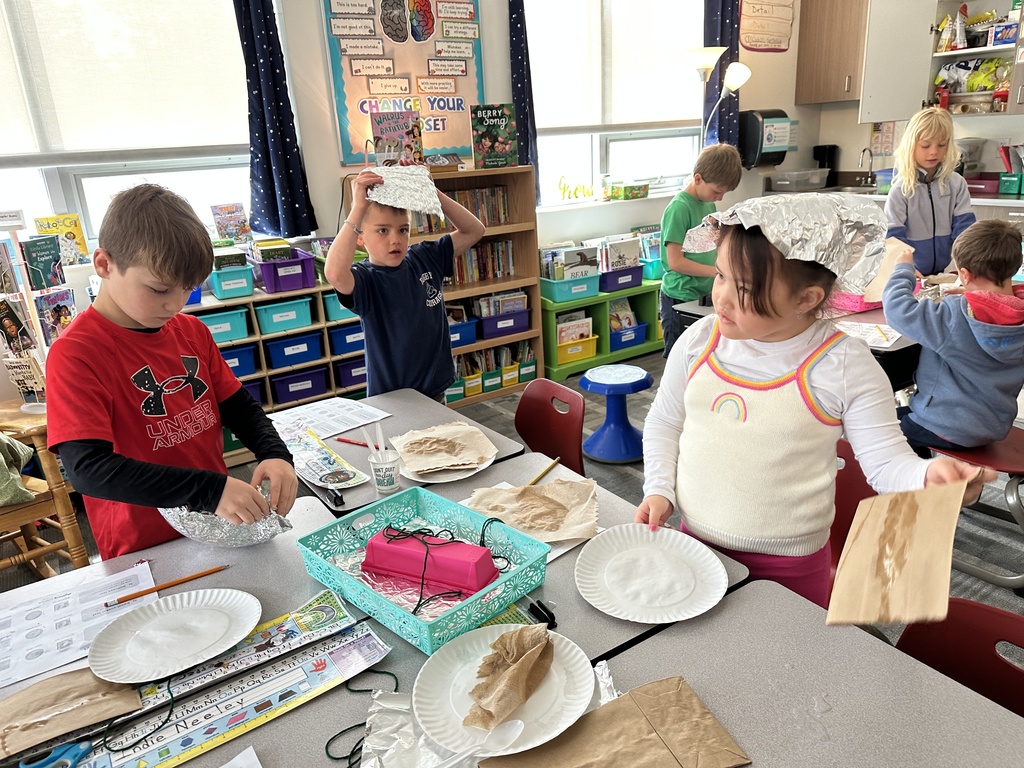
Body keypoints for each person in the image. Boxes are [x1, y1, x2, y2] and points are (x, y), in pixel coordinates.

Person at [635, 195, 995, 608]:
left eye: (745, 288)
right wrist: (659, 489)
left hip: (788, 566)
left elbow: (886, 464)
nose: (722, 298)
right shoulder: (700, 340)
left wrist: (929, 477)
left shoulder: (842, 365)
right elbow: (665, 421)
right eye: (720, 275)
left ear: (806, 299)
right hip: (695, 543)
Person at [46, 184, 298, 560]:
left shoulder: (191, 331)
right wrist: (208, 490)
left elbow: (238, 407)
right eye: (160, 289)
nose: (175, 304)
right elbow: (88, 469)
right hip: (141, 544)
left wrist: (274, 453)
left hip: (215, 526)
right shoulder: (75, 354)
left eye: (188, 289)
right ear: (104, 265)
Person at [325, 166, 486, 400]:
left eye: (403, 230)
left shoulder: (425, 257)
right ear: (360, 236)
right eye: (382, 231)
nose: (395, 240)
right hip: (393, 397)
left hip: (434, 390)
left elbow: (474, 230)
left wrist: (430, 191)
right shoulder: (366, 279)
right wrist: (358, 208)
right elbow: (335, 273)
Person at [883, 219, 1024, 457]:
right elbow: (999, 307)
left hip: (944, 424)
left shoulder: (952, 316)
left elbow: (897, 310)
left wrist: (903, 269)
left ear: (965, 275)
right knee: (903, 419)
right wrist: (977, 297)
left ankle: (922, 475)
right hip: (993, 425)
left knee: (879, 430)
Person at [658, 143, 743, 356]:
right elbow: (675, 262)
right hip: (680, 295)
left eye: (724, 193)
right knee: (680, 356)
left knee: (703, 355)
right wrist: (717, 272)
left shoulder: (708, 204)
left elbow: (712, 245)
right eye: (717, 191)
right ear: (698, 179)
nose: (720, 198)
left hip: (703, 294)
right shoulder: (679, 208)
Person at [884, 107, 975, 276]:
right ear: (911, 146)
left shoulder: (956, 184)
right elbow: (894, 236)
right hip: (913, 273)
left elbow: (964, 230)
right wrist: (907, 267)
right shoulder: (901, 189)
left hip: (949, 271)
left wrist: (961, 264)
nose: (934, 151)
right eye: (925, 145)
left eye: (941, 145)